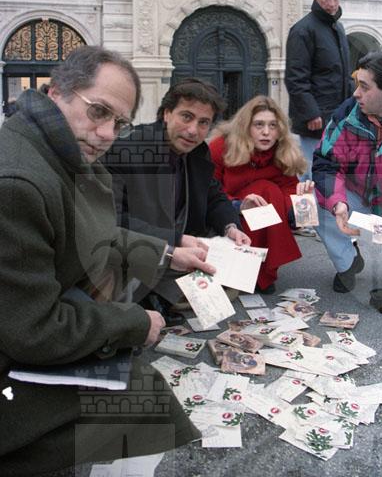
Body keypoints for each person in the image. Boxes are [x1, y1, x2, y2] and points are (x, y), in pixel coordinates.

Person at [0, 47, 216, 476]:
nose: (105, 134)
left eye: (118, 123)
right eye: (98, 111)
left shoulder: (54, 150)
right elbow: (33, 330)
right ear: (56, 92)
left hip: (39, 324)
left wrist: (167, 253)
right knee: (146, 399)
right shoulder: (18, 184)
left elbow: (95, 234)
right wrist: (133, 323)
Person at [103, 78, 250, 316]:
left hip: (177, 242)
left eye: (203, 122)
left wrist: (230, 227)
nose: (193, 130)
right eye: (186, 117)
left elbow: (214, 196)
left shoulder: (198, 152)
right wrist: (176, 240)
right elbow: (111, 220)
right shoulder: (126, 149)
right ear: (167, 113)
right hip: (137, 247)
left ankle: (161, 296)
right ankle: (152, 298)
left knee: (230, 275)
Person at [313, 52, 382, 312]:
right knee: (314, 200)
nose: (356, 93)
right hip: (359, 196)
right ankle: (348, 263)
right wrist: (338, 203)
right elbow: (326, 163)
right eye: (357, 83)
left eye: (364, 87)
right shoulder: (347, 114)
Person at [209, 95, 314, 293]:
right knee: (264, 190)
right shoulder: (221, 147)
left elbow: (292, 198)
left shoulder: (282, 151)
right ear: (245, 126)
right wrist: (238, 205)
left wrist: (304, 202)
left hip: (264, 213)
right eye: (259, 125)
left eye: (272, 125)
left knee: (268, 190)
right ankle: (250, 269)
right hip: (225, 215)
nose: (266, 132)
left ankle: (260, 270)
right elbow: (208, 192)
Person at [285, 0, 353, 178]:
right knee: (313, 174)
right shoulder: (302, 30)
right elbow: (296, 78)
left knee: (332, 174)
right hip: (315, 120)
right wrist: (311, 113)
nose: (331, 4)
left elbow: (344, 75)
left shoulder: (338, 28)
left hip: (337, 117)